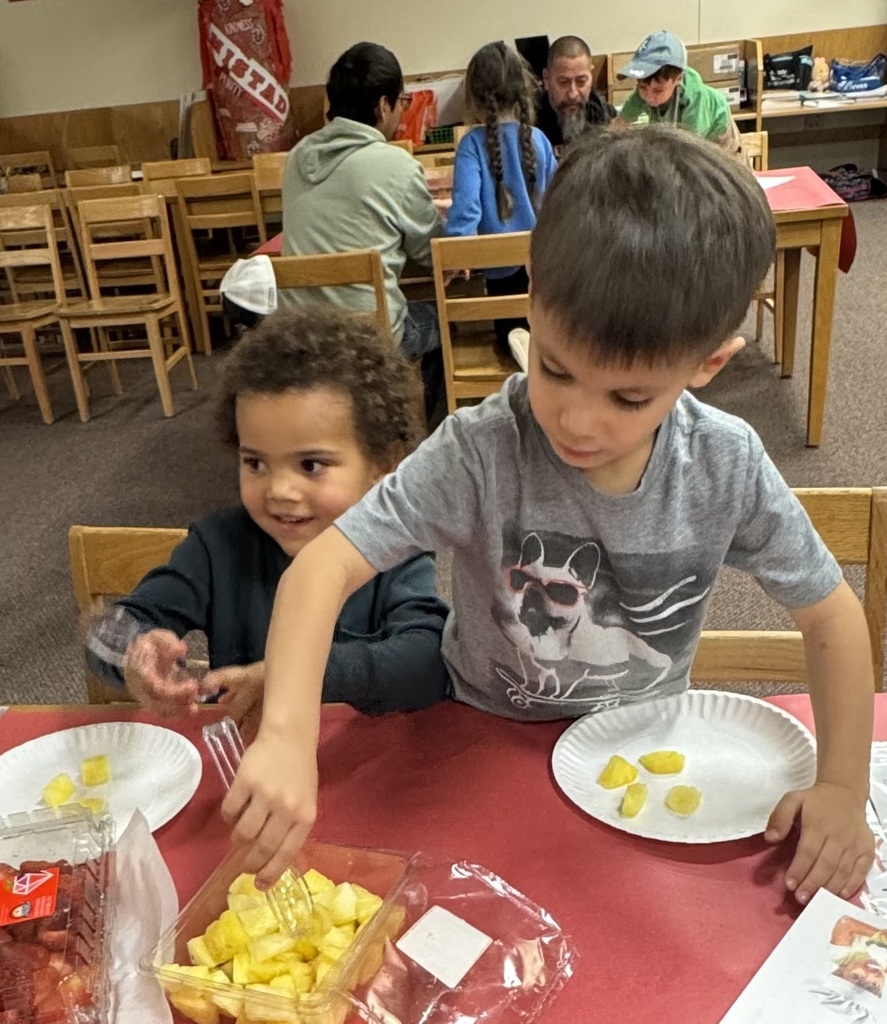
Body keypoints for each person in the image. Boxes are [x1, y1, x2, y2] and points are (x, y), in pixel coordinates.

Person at [222, 131, 876, 909]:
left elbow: (831, 615)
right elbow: (321, 569)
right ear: (532, 293)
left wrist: (841, 783)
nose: (578, 420)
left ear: (708, 364)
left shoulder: (724, 462)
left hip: (640, 752)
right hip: (485, 740)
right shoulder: (480, 449)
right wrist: (290, 737)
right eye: (555, 368)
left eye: (629, 398)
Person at [86, 308, 449, 734]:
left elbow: (427, 664)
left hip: (362, 766)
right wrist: (136, 653)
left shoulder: (394, 551)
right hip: (249, 765)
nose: (279, 490)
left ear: (383, 465)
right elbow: (107, 631)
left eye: (310, 464)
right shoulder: (217, 546)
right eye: (255, 462)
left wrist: (294, 674)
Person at [279, 43, 445, 405]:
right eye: (401, 101)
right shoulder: (396, 165)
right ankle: (408, 439)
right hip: (367, 336)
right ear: (383, 105)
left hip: (300, 334)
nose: (401, 110)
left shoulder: (295, 159)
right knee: (438, 324)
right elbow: (431, 253)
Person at [446, 41, 558, 347]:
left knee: (505, 340)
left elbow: (464, 214)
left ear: (473, 96)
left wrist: (457, 251)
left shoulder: (472, 145)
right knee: (540, 343)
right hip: (543, 276)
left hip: (500, 279)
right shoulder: (540, 140)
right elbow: (557, 207)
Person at [614, 30, 744, 162]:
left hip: (718, 137)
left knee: (721, 175)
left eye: (658, 90)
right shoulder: (648, 87)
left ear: (678, 79)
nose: (649, 96)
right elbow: (620, 123)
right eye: (642, 87)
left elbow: (690, 149)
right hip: (682, 137)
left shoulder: (695, 97)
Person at [535, 35, 617, 151]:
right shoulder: (530, 125)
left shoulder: (605, 117)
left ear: (591, 77)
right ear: (547, 79)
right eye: (564, 83)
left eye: (581, 82)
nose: (573, 94)